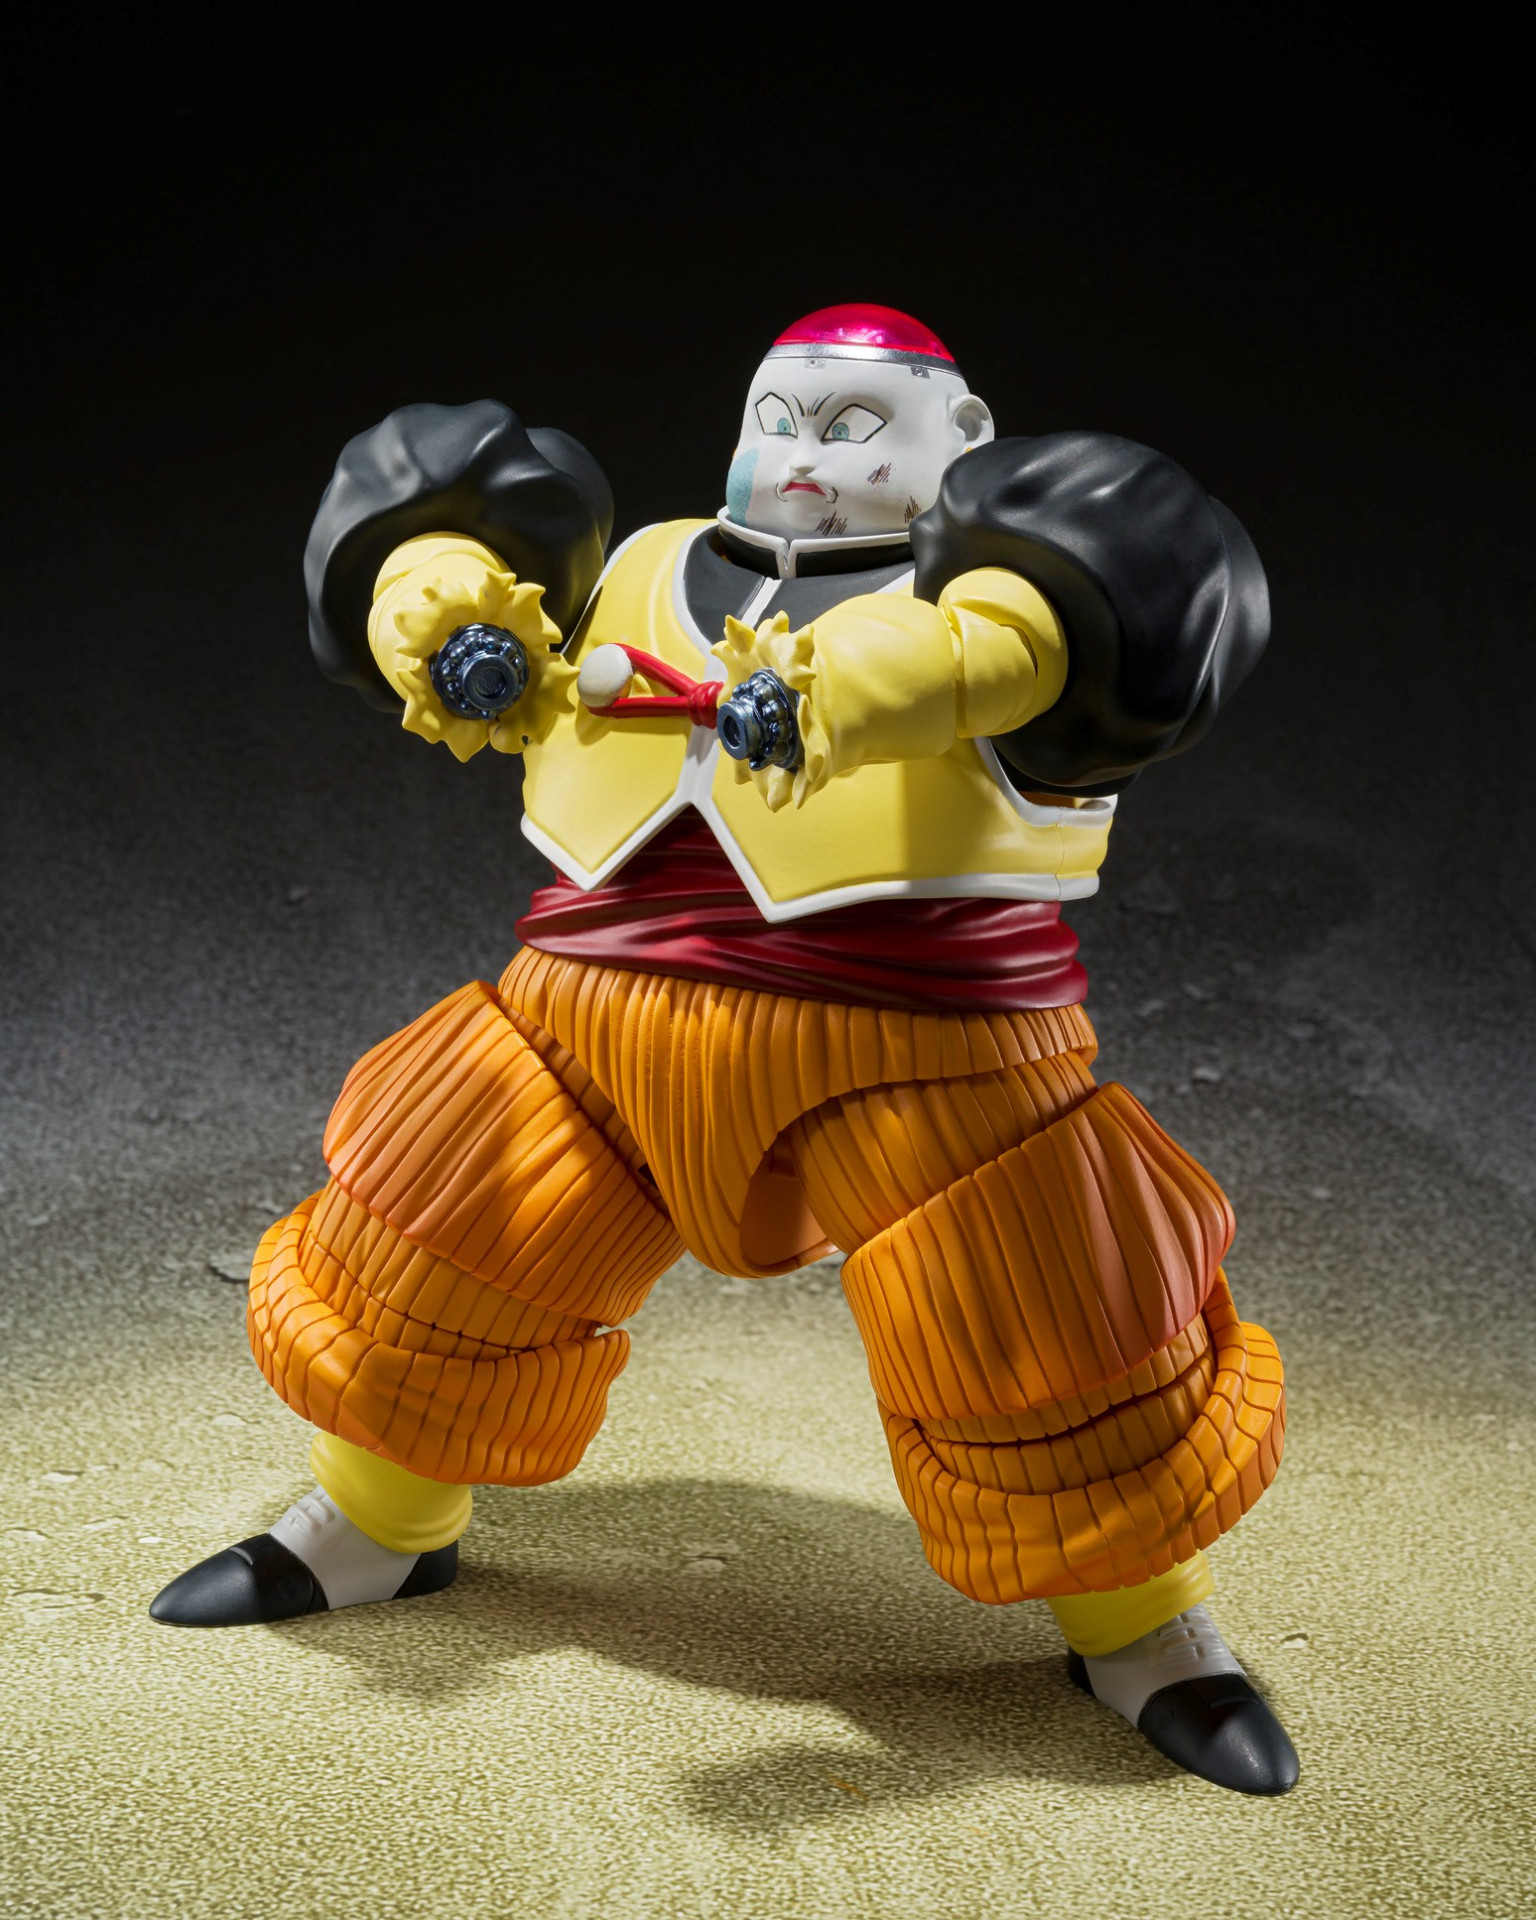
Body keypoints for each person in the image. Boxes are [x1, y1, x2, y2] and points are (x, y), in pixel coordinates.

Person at [151, 304, 1296, 1795]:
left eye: (855, 425)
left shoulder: (1002, 597)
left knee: (1051, 1325)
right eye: (781, 417)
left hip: (928, 1046)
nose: (807, 454)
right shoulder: (634, 569)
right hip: (582, 1016)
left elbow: (1034, 646)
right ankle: (374, 1528)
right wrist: (437, 612)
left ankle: (1141, 1629)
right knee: (433, 1246)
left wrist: (859, 680)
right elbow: (421, 548)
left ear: (963, 438)